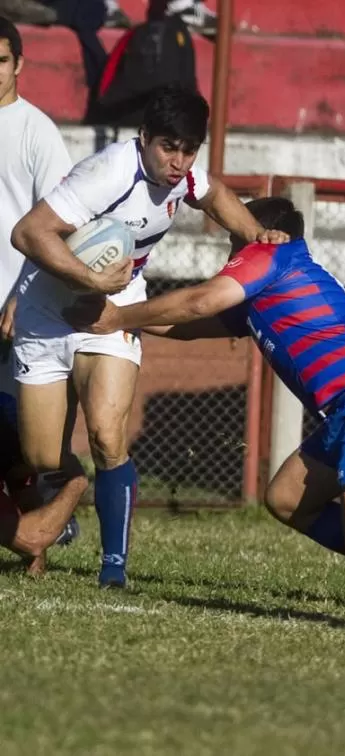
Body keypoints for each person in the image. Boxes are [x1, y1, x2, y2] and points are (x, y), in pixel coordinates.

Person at [66, 196, 345, 609]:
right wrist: (119, 312)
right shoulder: (266, 287)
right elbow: (186, 324)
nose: (230, 251)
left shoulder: (272, 255)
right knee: (287, 499)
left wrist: (120, 317)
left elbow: (202, 301)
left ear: (260, 233)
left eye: (233, 238)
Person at [11, 86, 287, 589]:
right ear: (143, 139)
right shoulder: (109, 173)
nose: (179, 161)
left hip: (115, 306)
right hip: (46, 311)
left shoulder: (185, 173)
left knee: (107, 433)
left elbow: (218, 195)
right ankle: (73, 481)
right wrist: (91, 279)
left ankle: (113, 567)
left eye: (189, 149)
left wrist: (257, 234)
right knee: (41, 457)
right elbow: (28, 233)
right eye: (168, 147)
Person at [0, 16, 90, 572]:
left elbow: (57, 227)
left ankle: (59, 503)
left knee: (21, 438)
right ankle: (36, 533)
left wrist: (19, 294)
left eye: (0, 60)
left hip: (18, 308)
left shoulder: (36, 132)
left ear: (18, 65)